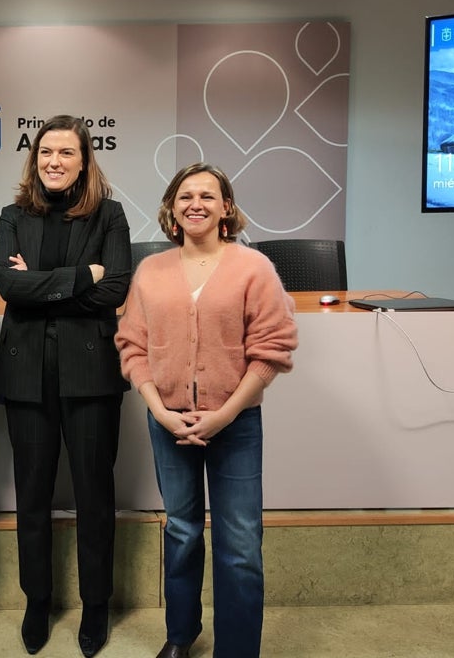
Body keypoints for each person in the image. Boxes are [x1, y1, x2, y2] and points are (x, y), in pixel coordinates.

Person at [114, 163, 298, 658]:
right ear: (172, 211)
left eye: (207, 196)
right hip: (167, 422)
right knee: (181, 530)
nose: (195, 203)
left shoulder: (253, 268)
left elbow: (272, 349)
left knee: (239, 546)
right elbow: (132, 347)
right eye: (184, 196)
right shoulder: (150, 271)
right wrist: (161, 410)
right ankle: (181, 634)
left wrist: (225, 413)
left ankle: (236, 650)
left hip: (235, 424)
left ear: (226, 209)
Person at [0, 115, 132, 657]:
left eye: (66, 153)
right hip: (26, 374)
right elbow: (8, 286)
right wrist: (82, 276)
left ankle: (96, 604)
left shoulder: (109, 215)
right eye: (45, 152)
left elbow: (115, 288)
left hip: (91, 374)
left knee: (95, 495)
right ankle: (37, 599)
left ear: (84, 160)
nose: (54, 161)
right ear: (35, 158)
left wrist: (42, 285)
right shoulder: (12, 215)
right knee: (32, 495)